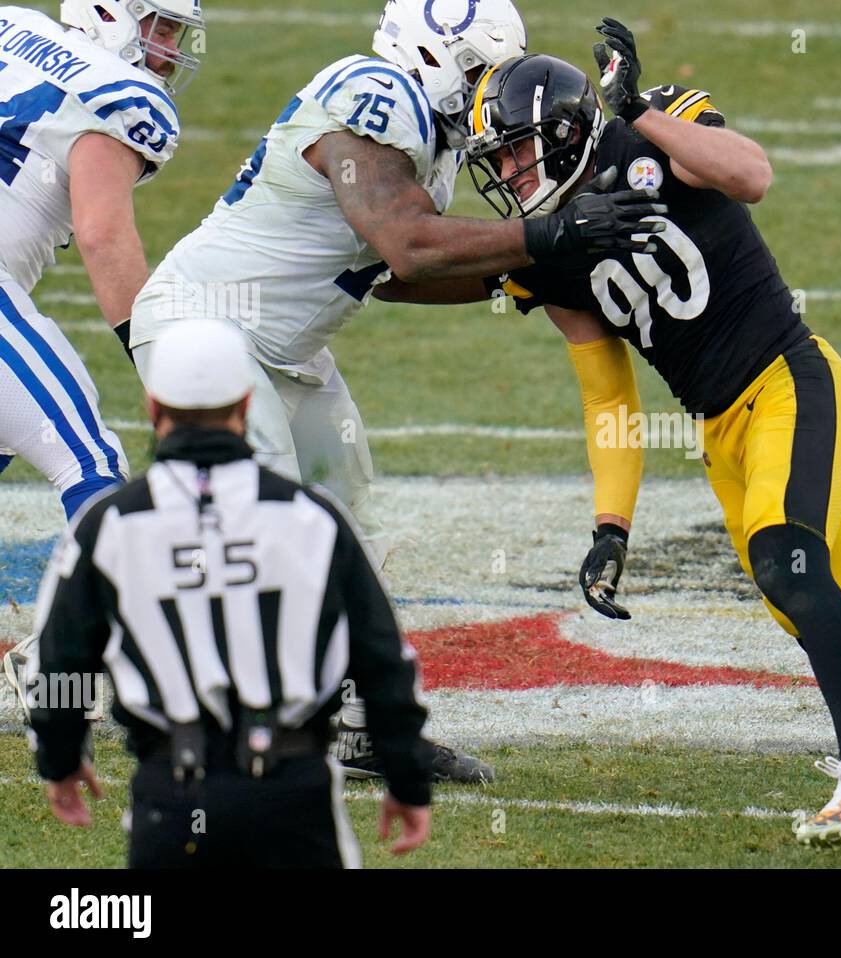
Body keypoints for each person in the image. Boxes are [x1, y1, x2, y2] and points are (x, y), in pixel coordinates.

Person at [410, 32, 841, 844]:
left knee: (787, 561)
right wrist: (611, 527)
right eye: (496, 160)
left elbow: (752, 175)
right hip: (720, 433)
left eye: (516, 153)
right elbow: (607, 397)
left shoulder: (650, 130)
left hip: (789, 380)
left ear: (566, 130)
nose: (506, 175)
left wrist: (637, 109)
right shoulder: (552, 250)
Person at [125, 0, 666, 784]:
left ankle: (362, 724)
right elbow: (408, 245)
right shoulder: (373, 92)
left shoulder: (433, 142)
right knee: (265, 524)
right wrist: (550, 237)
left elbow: (390, 278)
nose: (490, 92)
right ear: (434, 54)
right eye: (480, 73)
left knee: (348, 524)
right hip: (203, 326)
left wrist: (538, 269)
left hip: (285, 349)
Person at [27, 319, 436, 867]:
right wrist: (407, 776)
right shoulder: (310, 516)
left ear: (153, 407)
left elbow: (62, 660)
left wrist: (59, 758)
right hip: (292, 793)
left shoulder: (110, 524)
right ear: (245, 405)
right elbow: (383, 658)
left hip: (170, 796)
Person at [0, 0, 205, 708]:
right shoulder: (119, 93)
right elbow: (103, 233)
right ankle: (64, 668)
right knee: (91, 467)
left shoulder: (14, 25)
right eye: (163, 24)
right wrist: (162, 367)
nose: (170, 46)